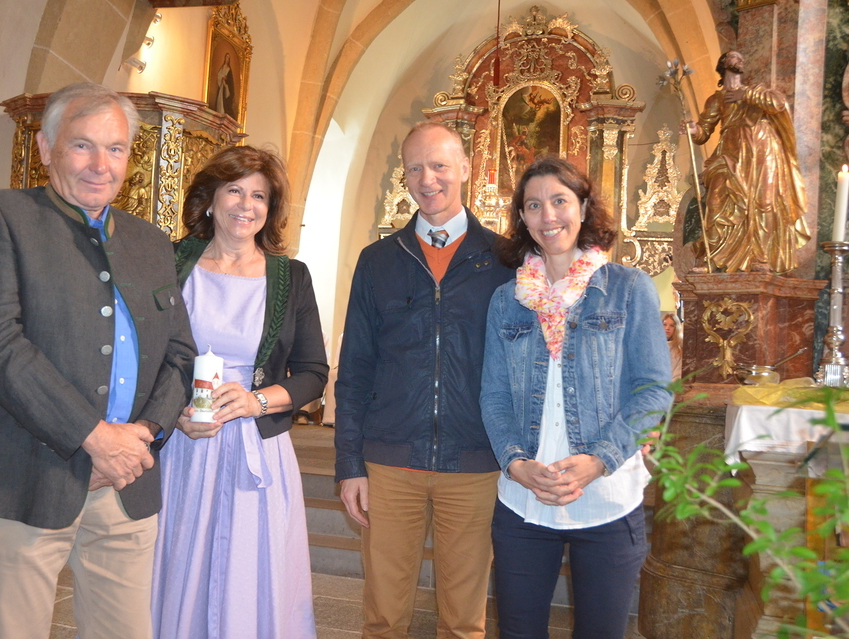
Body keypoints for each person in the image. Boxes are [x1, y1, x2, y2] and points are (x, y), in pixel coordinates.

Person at [0, 82, 196, 639]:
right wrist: (94, 437)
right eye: (82, 145)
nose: (101, 165)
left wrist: (141, 436)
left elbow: (179, 354)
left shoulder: (151, 242)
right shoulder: (2, 216)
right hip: (24, 475)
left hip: (127, 482)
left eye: (116, 148)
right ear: (46, 148)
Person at [479, 157, 673, 639]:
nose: (548, 216)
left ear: (583, 208)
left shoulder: (628, 288)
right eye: (534, 205)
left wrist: (599, 459)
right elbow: (494, 394)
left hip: (606, 496)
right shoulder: (507, 299)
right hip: (525, 498)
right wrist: (515, 463)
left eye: (560, 201)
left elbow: (653, 390)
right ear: (522, 218)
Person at [336, 121, 513, 638]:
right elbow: (355, 368)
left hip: (475, 461)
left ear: (465, 168)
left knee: (464, 621)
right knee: (384, 618)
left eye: (439, 165)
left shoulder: (505, 261)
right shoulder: (378, 261)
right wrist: (350, 463)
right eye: (415, 168)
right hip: (390, 461)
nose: (427, 179)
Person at [151, 145, 329, 639]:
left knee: (249, 574)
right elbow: (145, 354)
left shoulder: (291, 277)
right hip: (183, 445)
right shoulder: (170, 262)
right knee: (178, 566)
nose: (246, 205)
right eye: (234, 190)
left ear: (270, 209)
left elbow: (313, 372)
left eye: (259, 196)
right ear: (210, 198)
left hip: (256, 447)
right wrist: (171, 411)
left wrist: (257, 401)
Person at [683, 50, 810, 273]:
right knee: (716, 203)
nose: (739, 59)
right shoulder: (716, 99)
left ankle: (761, 258)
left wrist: (746, 95)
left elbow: (778, 104)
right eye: (733, 57)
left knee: (764, 203)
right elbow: (704, 131)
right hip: (730, 153)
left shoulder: (758, 91)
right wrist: (694, 129)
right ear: (723, 63)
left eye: (742, 58)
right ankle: (711, 260)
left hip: (763, 151)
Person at [663, 313, 683, 381]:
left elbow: (678, 374)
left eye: (672, 325)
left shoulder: (679, 348)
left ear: (676, 328)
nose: (667, 328)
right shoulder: (654, 345)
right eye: (664, 324)